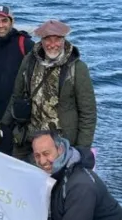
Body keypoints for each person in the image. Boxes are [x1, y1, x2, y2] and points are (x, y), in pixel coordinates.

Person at [7, 19, 97, 158]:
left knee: (58, 179)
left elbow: (88, 113)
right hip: (30, 138)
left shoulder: (78, 68)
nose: (52, 44)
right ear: (41, 40)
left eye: (57, 39)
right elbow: (16, 95)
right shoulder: (29, 61)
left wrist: (82, 150)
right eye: (48, 39)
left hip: (61, 142)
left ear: (64, 40)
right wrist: (3, 126)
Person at [0, 4, 34, 154]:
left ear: (12, 21)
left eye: (4, 21)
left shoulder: (25, 44)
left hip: (23, 115)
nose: (0, 25)